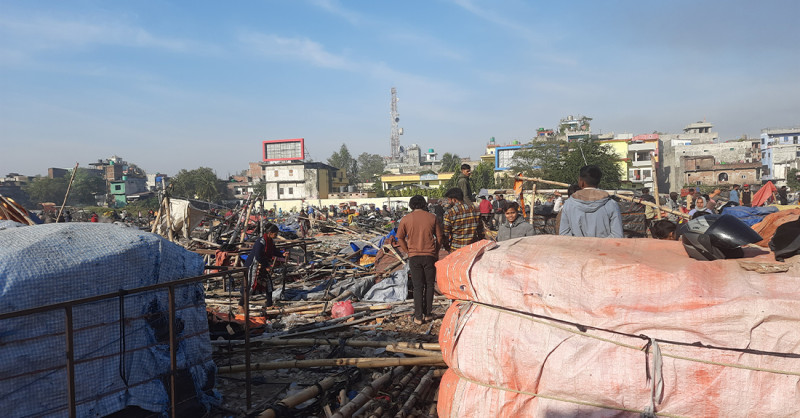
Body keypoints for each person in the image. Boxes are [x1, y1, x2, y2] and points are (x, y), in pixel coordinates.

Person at [396, 195, 443, 324]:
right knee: (429, 285)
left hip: (414, 256)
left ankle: (418, 316)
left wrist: (407, 250)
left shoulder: (405, 219)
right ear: (424, 204)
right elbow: (439, 237)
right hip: (429, 255)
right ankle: (428, 314)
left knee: (417, 286)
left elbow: (399, 237)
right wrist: (436, 251)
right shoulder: (432, 218)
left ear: (411, 205)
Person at [558, 165, 623, 238]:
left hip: (577, 248)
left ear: (581, 182)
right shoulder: (611, 204)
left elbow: (564, 234)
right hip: (604, 249)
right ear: (599, 182)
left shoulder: (568, 204)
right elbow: (617, 236)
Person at [244, 223, 283, 307]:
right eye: (275, 234)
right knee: (250, 286)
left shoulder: (270, 241)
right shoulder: (260, 242)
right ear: (270, 233)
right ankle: (241, 304)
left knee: (269, 285)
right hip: (254, 266)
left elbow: (274, 251)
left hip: (263, 265)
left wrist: (282, 254)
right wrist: (266, 266)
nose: (276, 236)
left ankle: (269, 304)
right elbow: (258, 256)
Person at [442, 188, 482, 252]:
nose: (449, 202)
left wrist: (446, 246)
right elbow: (481, 231)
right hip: (473, 249)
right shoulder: (475, 209)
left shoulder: (449, 213)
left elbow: (445, 233)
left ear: (454, 199)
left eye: (449, 200)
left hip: (456, 250)